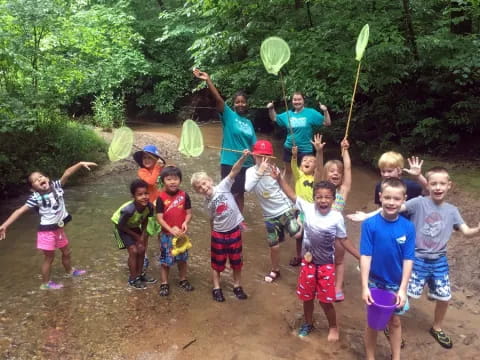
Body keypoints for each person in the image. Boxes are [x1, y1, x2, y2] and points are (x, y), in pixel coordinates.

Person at [350, 167, 480, 349]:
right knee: (401, 294)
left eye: (442, 184)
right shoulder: (418, 202)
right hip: (415, 257)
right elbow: (393, 207)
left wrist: (477, 230)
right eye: (433, 183)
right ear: (427, 186)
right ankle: (390, 319)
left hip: (438, 260)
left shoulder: (452, 211)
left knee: (445, 297)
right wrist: (368, 215)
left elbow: (466, 232)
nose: (438, 187)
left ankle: (437, 327)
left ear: (449, 186)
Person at [273, 171, 360, 340]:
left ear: (333, 199)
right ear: (314, 198)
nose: (323, 200)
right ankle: (308, 323)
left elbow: (343, 239)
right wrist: (279, 179)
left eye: (327, 197)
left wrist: (359, 256)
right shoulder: (307, 208)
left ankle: (334, 326)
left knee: (326, 301)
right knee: (307, 298)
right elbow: (291, 194)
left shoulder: (336, 218)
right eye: (319, 197)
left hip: (326, 264)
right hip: (308, 263)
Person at [0, 162, 95, 290]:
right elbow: (19, 211)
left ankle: (70, 271)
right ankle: (46, 284)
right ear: (33, 188)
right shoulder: (35, 198)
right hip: (46, 232)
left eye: (40, 177)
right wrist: (5, 225)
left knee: (67, 252)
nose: (39, 179)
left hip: (59, 229)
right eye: (35, 180)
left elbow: (67, 173)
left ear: (47, 179)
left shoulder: (57, 186)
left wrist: (80, 164)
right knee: (49, 258)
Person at [360, 178, 415, 360]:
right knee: (373, 324)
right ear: (380, 197)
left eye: (397, 199)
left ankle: (396, 356)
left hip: (396, 283)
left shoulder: (408, 227)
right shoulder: (370, 224)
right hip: (374, 282)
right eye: (388, 198)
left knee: (395, 321)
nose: (392, 202)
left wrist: (403, 289)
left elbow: (408, 259)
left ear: (404, 199)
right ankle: (370, 357)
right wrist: (364, 287)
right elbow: (366, 256)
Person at [193, 69, 256, 214]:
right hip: (229, 162)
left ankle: (239, 221)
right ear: (234, 104)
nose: (240, 104)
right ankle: (227, 218)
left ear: (246, 104)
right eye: (237, 102)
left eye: (243, 102)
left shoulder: (249, 123)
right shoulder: (229, 115)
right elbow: (218, 100)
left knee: (240, 194)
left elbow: (254, 145)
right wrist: (208, 80)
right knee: (228, 193)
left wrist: (259, 163)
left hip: (246, 163)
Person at [191, 150, 250, 302]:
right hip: (218, 234)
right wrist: (213, 233)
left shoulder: (223, 186)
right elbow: (212, 219)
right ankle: (216, 288)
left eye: (204, 183)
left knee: (237, 261)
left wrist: (242, 158)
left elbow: (234, 171)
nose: (203, 187)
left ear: (210, 181)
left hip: (234, 231)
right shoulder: (207, 203)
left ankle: (237, 286)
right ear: (198, 192)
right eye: (199, 187)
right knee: (217, 263)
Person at [244, 140, 300, 283]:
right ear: (253, 155)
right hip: (269, 216)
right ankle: (275, 270)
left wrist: (296, 203)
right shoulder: (250, 172)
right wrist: (260, 171)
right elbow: (248, 188)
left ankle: (303, 217)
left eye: (266, 156)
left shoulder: (274, 169)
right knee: (274, 246)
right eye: (260, 156)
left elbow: (283, 185)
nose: (263, 159)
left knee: (298, 233)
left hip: (284, 209)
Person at [315, 136, 352, 302]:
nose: (336, 173)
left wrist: (345, 151)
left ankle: (338, 287)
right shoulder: (321, 188)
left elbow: (349, 170)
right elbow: (317, 170)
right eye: (331, 170)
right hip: (321, 231)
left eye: (339, 171)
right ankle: (320, 283)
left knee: (339, 260)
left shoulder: (343, 190)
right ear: (325, 174)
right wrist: (319, 152)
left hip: (338, 232)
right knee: (320, 260)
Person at [267, 92, 331, 183]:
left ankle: (304, 194)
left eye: (299, 99)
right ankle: (284, 193)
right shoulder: (288, 114)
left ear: (303, 100)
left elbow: (327, 123)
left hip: (305, 149)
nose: (297, 102)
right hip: (289, 148)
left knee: (306, 174)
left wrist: (325, 111)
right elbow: (274, 118)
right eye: (295, 100)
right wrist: (271, 108)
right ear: (292, 101)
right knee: (288, 172)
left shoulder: (311, 112)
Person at [112, 179, 156, 289]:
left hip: (134, 225)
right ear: (134, 196)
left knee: (141, 249)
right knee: (133, 250)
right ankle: (132, 278)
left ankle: (140, 274)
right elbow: (120, 226)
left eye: (146, 193)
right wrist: (136, 236)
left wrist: (143, 233)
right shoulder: (129, 210)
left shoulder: (149, 207)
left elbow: (145, 219)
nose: (144, 197)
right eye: (140, 194)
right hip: (121, 227)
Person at [156, 166, 193, 297]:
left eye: (175, 179)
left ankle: (183, 279)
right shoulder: (161, 197)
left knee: (183, 259)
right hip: (166, 235)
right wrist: (170, 229)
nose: (172, 182)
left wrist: (185, 223)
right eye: (169, 179)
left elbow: (189, 213)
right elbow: (159, 217)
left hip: (181, 235)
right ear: (163, 181)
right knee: (165, 261)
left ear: (180, 180)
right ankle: (164, 282)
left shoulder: (184, 195)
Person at [288, 134, 324, 267]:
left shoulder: (317, 179)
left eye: (310, 161)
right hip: (299, 210)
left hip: (313, 211)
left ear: (315, 167)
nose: (307, 162)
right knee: (298, 236)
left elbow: (320, 170)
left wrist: (319, 152)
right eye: (304, 161)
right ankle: (299, 255)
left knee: (312, 235)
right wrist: (294, 156)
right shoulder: (299, 176)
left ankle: (311, 257)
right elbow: (293, 167)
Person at [133, 144, 166, 271]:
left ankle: (163, 253)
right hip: (147, 208)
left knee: (162, 233)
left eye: (149, 157)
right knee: (145, 233)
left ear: (155, 159)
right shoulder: (142, 171)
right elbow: (151, 182)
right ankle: (144, 255)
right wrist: (158, 167)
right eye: (144, 158)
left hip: (161, 207)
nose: (146, 160)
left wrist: (164, 167)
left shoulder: (161, 170)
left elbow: (171, 177)